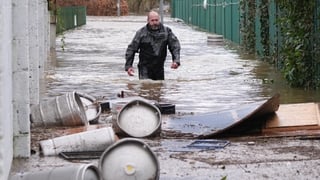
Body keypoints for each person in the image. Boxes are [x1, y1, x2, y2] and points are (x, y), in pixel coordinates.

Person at [125, 10, 181, 80]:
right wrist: (129, 66)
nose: (155, 23)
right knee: (145, 87)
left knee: (158, 87)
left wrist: (176, 60)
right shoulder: (141, 33)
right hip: (144, 67)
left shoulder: (166, 32)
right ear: (148, 21)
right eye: (152, 20)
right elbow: (131, 49)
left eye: (156, 20)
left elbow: (175, 46)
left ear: (159, 20)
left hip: (159, 67)